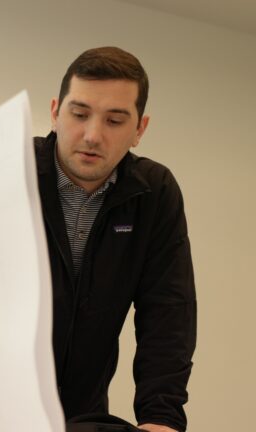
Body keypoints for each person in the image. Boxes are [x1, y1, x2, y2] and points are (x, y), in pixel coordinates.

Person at [38, 47, 196, 432]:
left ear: (139, 129)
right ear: (55, 112)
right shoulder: (8, 169)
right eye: (79, 114)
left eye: (114, 120)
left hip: (81, 414)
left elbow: (168, 312)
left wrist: (161, 418)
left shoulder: (154, 193)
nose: (93, 135)